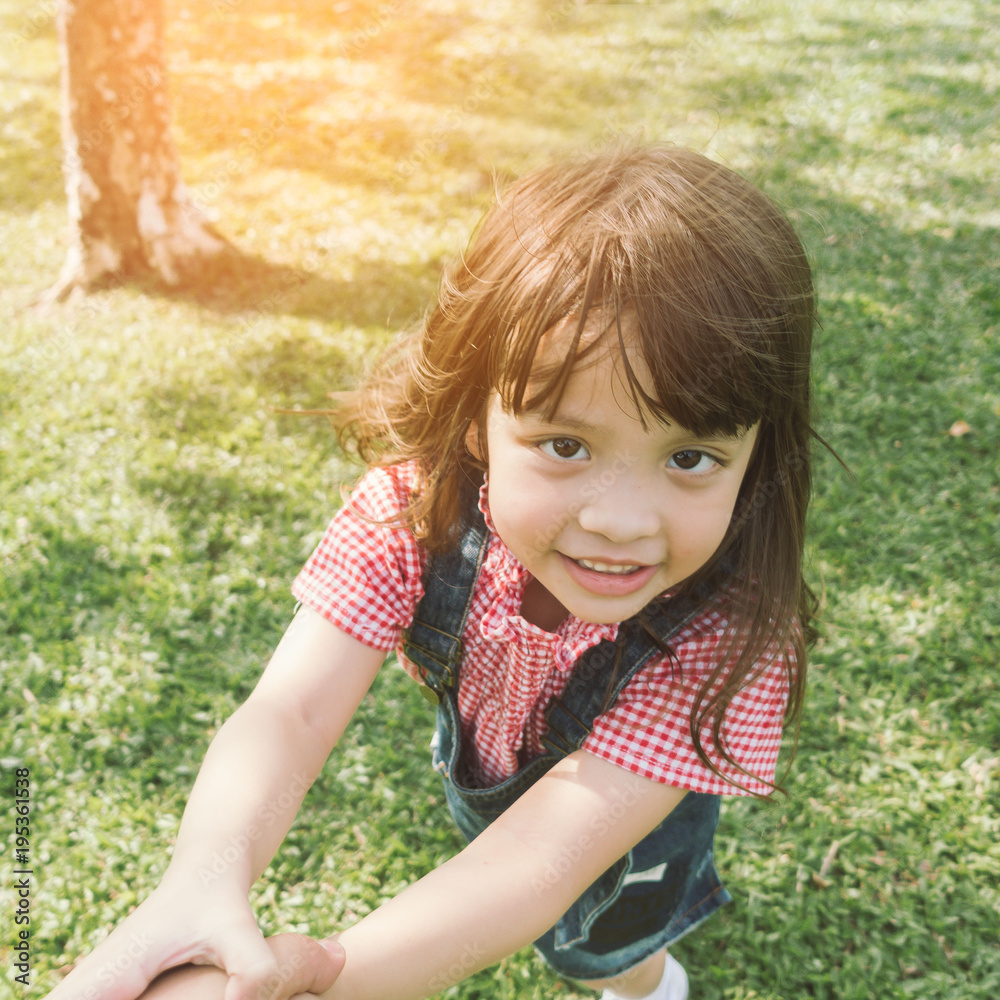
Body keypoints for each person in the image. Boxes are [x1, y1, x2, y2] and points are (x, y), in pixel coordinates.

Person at [45, 142, 820, 1000]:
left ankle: (650, 985)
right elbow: (290, 711)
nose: (621, 519)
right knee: (495, 856)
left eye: (692, 457)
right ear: (475, 421)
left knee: (605, 949)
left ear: (759, 455)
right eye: (565, 445)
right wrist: (200, 880)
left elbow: (539, 863)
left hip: (630, 843)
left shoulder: (730, 630)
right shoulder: (414, 514)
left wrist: (327, 981)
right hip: (491, 790)